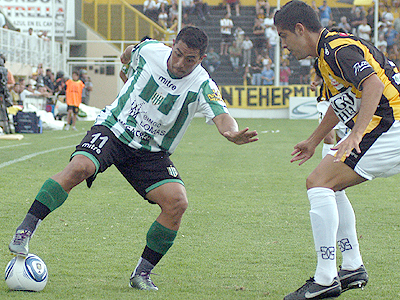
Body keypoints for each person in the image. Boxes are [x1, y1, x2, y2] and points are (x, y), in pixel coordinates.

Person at [8, 26, 258, 292]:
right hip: (115, 129)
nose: (180, 63)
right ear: (172, 45)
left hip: (150, 152)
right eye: (178, 54)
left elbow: (222, 115)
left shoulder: (202, 84)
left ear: (201, 60)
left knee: (177, 202)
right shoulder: (150, 50)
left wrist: (230, 132)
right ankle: (25, 229)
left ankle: (142, 273)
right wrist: (126, 66)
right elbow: (128, 54)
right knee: (80, 167)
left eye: (190, 59)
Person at [274, 1, 400, 298]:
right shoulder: (325, 57)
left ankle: (326, 277)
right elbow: (340, 103)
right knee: (330, 184)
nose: (284, 45)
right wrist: (313, 140)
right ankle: (352, 265)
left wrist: (356, 133)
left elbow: (372, 83)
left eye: (283, 36)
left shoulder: (337, 49)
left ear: (300, 29)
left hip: (391, 124)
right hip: (387, 124)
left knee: (319, 182)